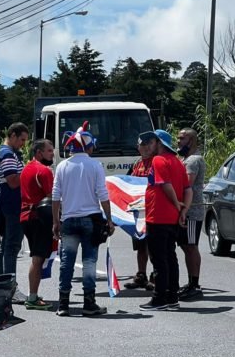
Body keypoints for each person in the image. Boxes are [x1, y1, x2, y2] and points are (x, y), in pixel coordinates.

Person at [52, 122, 114, 317]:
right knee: (89, 262)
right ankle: (89, 303)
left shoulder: (62, 166)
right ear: (88, 146)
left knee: (66, 263)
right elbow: (103, 195)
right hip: (91, 220)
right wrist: (109, 219)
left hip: (68, 220)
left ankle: (63, 304)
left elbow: (56, 196)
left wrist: (56, 221)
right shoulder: (95, 165)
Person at [138, 130, 191, 311]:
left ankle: (159, 298)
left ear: (159, 143)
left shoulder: (159, 160)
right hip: (171, 218)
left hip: (158, 216)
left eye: (152, 141)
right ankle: (172, 296)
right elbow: (188, 189)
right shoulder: (177, 162)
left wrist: (177, 204)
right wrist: (183, 210)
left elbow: (166, 185)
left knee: (159, 259)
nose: (148, 145)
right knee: (170, 257)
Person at [0, 122, 28, 303]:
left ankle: (1, 284)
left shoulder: (5, 152)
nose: (23, 144)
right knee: (11, 248)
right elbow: (13, 181)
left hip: (5, 205)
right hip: (11, 207)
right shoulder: (7, 154)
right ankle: (10, 289)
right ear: (12, 135)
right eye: (21, 139)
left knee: (5, 246)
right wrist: (30, 172)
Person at [19, 138, 55, 310]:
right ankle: (32, 297)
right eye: (49, 151)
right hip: (39, 217)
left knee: (37, 257)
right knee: (38, 258)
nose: (52, 154)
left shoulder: (26, 168)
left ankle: (33, 295)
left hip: (26, 216)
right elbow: (52, 197)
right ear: (39, 152)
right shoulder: (44, 171)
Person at [177, 128, 206, 301]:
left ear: (192, 141)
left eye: (182, 139)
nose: (179, 142)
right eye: (178, 138)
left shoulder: (193, 160)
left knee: (191, 246)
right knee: (186, 246)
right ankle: (190, 282)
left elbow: (186, 184)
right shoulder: (185, 159)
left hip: (192, 211)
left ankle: (194, 284)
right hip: (187, 210)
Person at [124, 137, 155, 291]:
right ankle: (141, 275)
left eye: (149, 144)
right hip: (138, 211)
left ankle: (155, 276)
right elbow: (127, 183)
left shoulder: (156, 162)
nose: (146, 147)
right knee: (140, 245)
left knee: (152, 245)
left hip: (152, 210)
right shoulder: (137, 164)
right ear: (138, 147)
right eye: (143, 144)